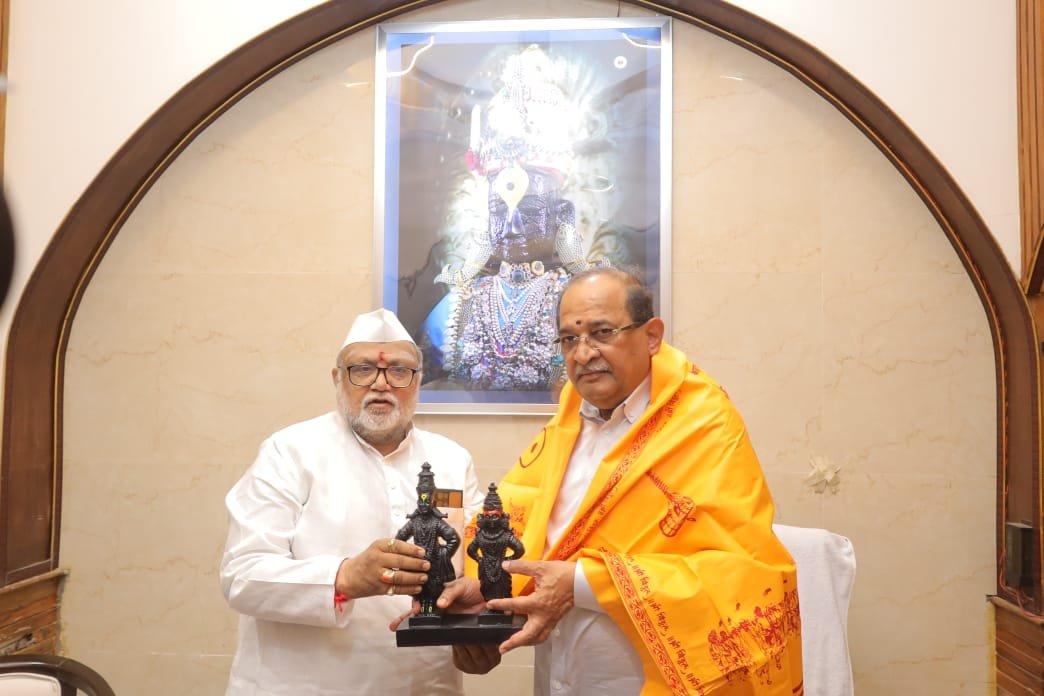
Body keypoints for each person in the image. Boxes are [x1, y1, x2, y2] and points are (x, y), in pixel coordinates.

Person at [441, 269, 804, 695]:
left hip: (648, 679)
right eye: (569, 339)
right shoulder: (568, 419)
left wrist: (582, 584)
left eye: (602, 332)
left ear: (652, 336)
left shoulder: (702, 425)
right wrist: (485, 599)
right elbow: (529, 531)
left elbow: (741, 571)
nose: (583, 353)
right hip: (558, 671)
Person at [220, 308, 482, 695]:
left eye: (399, 370)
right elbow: (242, 576)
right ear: (337, 379)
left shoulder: (452, 459)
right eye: (362, 369)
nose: (381, 383)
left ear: (418, 380)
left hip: (424, 684)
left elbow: (474, 564)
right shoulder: (289, 452)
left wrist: (474, 630)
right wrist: (345, 577)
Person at [421, 44, 597, 391]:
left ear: (561, 214)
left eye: (529, 211)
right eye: (500, 211)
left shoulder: (584, 305)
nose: (513, 226)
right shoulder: (454, 311)